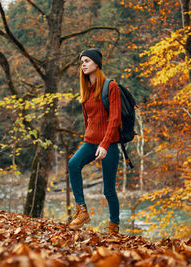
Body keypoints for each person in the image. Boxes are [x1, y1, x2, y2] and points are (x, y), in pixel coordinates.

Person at [68, 48, 121, 234]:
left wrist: (105, 144)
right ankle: (82, 211)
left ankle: (114, 227)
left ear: (97, 64)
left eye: (87, 61)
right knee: (73, 164)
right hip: (90, 142)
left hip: (110, 143)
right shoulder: (85, 90)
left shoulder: (110, 86)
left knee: (108, 190)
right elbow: (87, 119)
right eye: (81, 61)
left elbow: (114, 119)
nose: (83, 64)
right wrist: (90, 140)